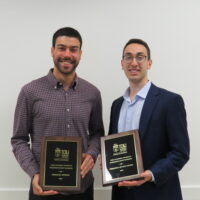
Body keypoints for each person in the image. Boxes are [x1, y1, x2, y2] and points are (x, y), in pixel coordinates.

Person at [11, 27, 104, 200]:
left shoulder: (92, 93)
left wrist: (91, 154)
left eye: (73, 49)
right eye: (61, 48)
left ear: (80, 54)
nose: (67, 54)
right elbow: (19, 140)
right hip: (43, 188)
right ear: (52, 51)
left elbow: (97, 133)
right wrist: (34, 173)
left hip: (82, 189)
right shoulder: (30, 92)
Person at [108, 38, 189, 200]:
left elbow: (180, 152)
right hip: (122, 194)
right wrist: (108, 160)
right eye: (128, 57)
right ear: (122, 63)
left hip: (157, 193)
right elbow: (113, 146)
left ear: (149, 63)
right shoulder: (116, 105)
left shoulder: (170, 101)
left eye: (140, 57)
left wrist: (152, 174)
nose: (134, 62)